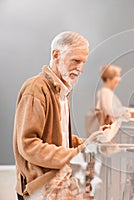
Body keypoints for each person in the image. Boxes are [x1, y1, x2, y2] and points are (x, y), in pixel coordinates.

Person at [13, 31, 107, 199]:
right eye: (76, 60)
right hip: (39, 187)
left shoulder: (62, 93)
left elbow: (59, 138)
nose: (80, 68)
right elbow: (29, 145)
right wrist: (77, 153)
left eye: (83, 62)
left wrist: (90, 142)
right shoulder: (36, 89)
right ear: (56, 55)